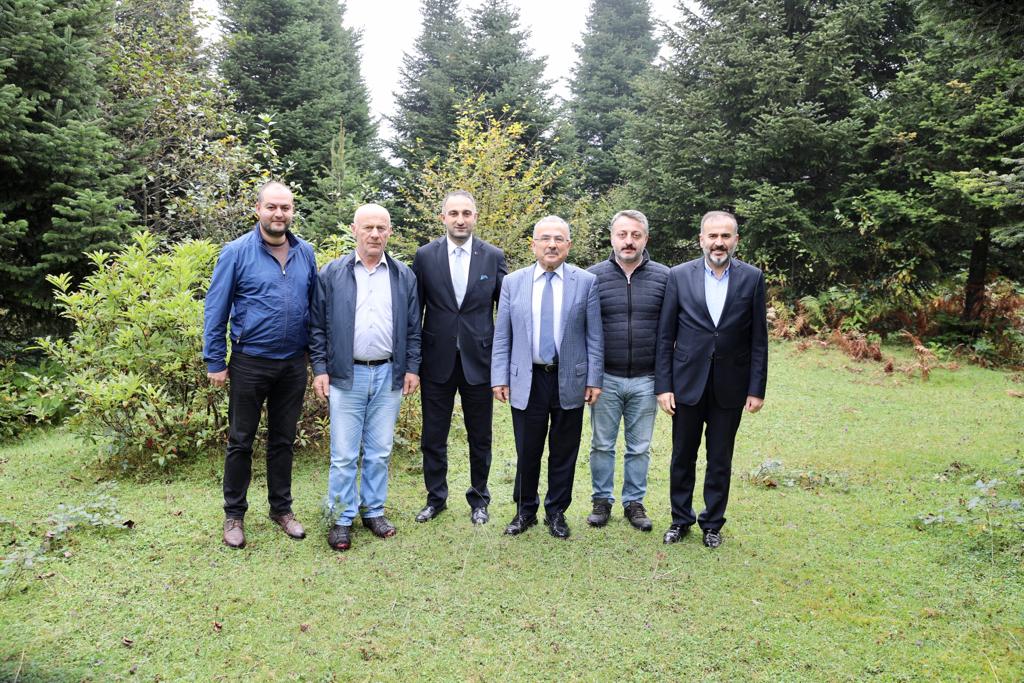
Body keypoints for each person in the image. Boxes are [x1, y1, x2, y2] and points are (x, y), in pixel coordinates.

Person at [203, 181, 318, 549]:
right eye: (272, 207)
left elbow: (314, 309)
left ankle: (281, 510)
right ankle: (234, 514)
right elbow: (216, 308)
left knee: (283, 440)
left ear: (292, 211)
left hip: (293, 364)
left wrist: (316, 358)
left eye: (285, 207)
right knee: (240, 441)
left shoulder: (305, 253)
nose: (278, 214)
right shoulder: (236, 252)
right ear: (258, 210)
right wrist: (215, 359)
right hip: (249, 361)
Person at [309, 203, 421, 552]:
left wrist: (412, 367)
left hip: (389, 373)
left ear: (390, 232)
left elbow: (413, 328)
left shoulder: (403, 275)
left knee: (379, 451)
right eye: (368, 227)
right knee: (344, 454)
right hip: (346, 374)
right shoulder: (331, 273)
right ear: (354, 230)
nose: (375, 234)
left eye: (381, 228)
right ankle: (341, 518)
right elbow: (317, 327)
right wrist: (320, 369)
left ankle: (373, 511)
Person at [655, 210, 768, 548]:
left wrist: (756, 388)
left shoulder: (752, 278)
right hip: (686, 382)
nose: (719, 243)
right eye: (713, 236)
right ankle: (680, 520)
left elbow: (759, 340)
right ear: (701, 239)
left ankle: (713, 523)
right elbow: (665, 336)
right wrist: (664, 386)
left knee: (720, 459)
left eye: (726, 236)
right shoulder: (678, 276)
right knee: (682, 456)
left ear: (736, 240)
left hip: (731, 385)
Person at [491, 216, 603, 539]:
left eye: (559, 239)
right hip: (528, 379)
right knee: (527, 449)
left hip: (570, 378)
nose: (551, 245)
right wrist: (499, 376)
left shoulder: (586, 282)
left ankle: (556, 512)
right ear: (533, 244)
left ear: (569, 245)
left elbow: (594, 335)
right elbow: (503, 335)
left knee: (564, 450)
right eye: (545, 239)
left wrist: (594, 378)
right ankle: (525, 510)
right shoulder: (513, 282)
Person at [411, 190, 507, 526]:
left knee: (480, 436)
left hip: (479, 361)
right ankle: (435, 498)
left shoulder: (493, 256)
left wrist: (503, 364)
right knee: (433, 436)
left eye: (466, 213)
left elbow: (506, 312)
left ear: (475, 217)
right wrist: (412, 363)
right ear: (443, 218)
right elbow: (415, 312)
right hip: (436, 360)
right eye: (453, 213)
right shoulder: (425, 256)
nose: (460, 219)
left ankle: (479, 500)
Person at [585, 210, 669, 532]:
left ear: (646, 238)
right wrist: (591, 377)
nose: (629, 241)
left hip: (646, 379)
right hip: (605, 379)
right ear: (612, 237)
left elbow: (670, 332)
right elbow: (585, 330)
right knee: (601, 444)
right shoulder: (592, 277)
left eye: (636, 235)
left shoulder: (665, 277)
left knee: (639, 447)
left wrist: (664, 380)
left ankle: (634, 502)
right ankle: (601, 501)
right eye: (622, 234)